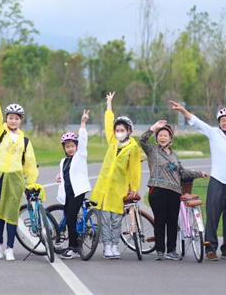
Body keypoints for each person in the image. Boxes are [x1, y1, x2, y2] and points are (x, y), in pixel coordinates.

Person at [169, 100, 226, 260]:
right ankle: (210, 248)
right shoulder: (214, 133)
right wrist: (183, 111)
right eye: (223, 120)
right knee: (213, 215)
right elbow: (197, 122)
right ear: (219, 123)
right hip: (218, 180)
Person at [0, 83, 39, 262]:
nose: (13, 121)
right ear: (7, 118)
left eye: (16, 118)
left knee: (12, 214)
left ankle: (10, 248)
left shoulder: (25, 141)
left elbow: (30, 164)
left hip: (15, 179)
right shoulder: (1, 132)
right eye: (10, 117)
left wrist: (32, 183)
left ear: (21, 120)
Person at [140, 119, 207, 261]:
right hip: (158, 189)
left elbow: (182, 172)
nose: (162, 138)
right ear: (157, 138)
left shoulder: (174, 155)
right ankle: (160, 251)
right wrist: (155, 127)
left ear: (170, 138)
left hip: (175, 191)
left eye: (165, 135)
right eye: (160, 135)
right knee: (160, 221)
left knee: (172, 222)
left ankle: (171, 251)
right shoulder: (152, 151)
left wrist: (199, 174)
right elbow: (142, 140)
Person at [90, 92, 141, 260]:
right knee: (105, 220)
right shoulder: (113, 142)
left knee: (116, 220)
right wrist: (109, 104)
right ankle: (107, 246)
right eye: (117, 130)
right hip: (105, 188)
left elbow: (134, 169)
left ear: (129, 131)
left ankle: (115, 245)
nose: (119, 132)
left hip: (119, 189)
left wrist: (134, 188)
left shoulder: (133, 148)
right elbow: (108, 122)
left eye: (122, 130)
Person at [55, 109, 92, 259]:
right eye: (67, 147)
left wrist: (83, 123)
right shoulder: (63, 161)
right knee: (70, 216)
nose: (70, 149)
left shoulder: (80, 156)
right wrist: (60, 177)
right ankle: (74, 243)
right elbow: (66, 173)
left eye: (72, 146)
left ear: (76, 146)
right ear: (64, 148)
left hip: (78, 191)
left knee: (70, 217)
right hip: (68, 193)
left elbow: (83, 139)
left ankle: (74, 248)